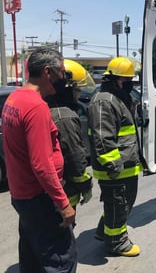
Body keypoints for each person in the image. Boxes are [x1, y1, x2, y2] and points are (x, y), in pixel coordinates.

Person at [2, 48, 77, 272]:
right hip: (39, 198)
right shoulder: (36, 107)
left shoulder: (14, 98)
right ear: (47, 72)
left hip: (22, 195)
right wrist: (64, 204)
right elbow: (42, 165)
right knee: (61, 260)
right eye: (61, 72)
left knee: (32, 259)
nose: (63, 79)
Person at [88, 56, 142, 257]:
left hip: (126, 165)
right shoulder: (104, 101)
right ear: (114, 79)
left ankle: (105, 232)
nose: (129, 84)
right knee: (118, 204)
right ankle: (117, 243)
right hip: (115, 169)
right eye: (126, 80)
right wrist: (113, 165)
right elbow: (103, 139)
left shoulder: (119, 98)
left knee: (120, 204)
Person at [45, 59, 95, 215]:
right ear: (65, 88)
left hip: (42, 193)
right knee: (63, 237)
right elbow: (75, 156)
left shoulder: (43, 106)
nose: (79, 93)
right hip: (64, 194)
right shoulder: (63, 116)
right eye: (76, 89)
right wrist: (85, 185)